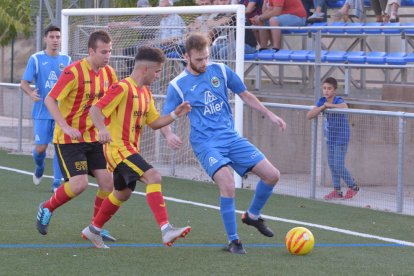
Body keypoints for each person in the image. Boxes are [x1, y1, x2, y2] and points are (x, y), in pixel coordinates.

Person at [161, 33, 287, 254]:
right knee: (228, 183)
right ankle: (234, 241)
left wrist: (270, 114)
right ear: (186, 56)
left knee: (272, 174)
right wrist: (168, 134)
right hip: (205, 144)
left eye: (206, 57)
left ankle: (252, 216)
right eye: (199, 59)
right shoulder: (178, 85)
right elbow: (165, 117)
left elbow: (244, 94)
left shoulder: (219, 70)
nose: (204, 63)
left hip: (231, 138)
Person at [82, 47, 192, 249]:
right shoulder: (122, 87)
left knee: (123, 193)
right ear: (144, 69)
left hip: (130, 149)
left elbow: (155, 122)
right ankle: (166, 229)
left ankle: (93, 229)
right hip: (117, 148)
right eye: (157, 71)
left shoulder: (146, 93)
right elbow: (95, 109)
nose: (158, 75)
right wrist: (102, 129)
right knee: (154, 176)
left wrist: (176, 114)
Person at [35, 30, 118, 242]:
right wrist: (65, 127)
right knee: (79, 184)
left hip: (93, 138)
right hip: (69, 139)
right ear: (91, 51)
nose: (107, 56)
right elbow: (49, 100)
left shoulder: (109, 73)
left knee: (108, 184)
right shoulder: (73, 72)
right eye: (103, 51)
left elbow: (111, 103)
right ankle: (47, 207)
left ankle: (94, 228)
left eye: (110, 51)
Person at [21, 25, 71, 192]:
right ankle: (40, 166)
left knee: (58, 146)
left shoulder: (67, 60)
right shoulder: (35, 59)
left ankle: (57, 182)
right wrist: (31, 93)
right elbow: (24, 83)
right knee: (41, 147)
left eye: (58, 37)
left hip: (61, 113)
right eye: (52, 37)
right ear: (45, 39)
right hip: (42, 111)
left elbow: (72, 83)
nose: (55, 40)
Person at [306, 77, 359, 200]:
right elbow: (309, 115)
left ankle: (353, 186)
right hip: (330, 138)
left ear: (334, 90)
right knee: (331, 164)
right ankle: (337, 190)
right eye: (324, 88)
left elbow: (345, 107)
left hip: (341, 138)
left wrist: (329, 105)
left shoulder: (338, 100)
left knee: (338, 164)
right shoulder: (322, 101)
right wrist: (322, 107)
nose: (326, 91)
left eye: (329, 89)